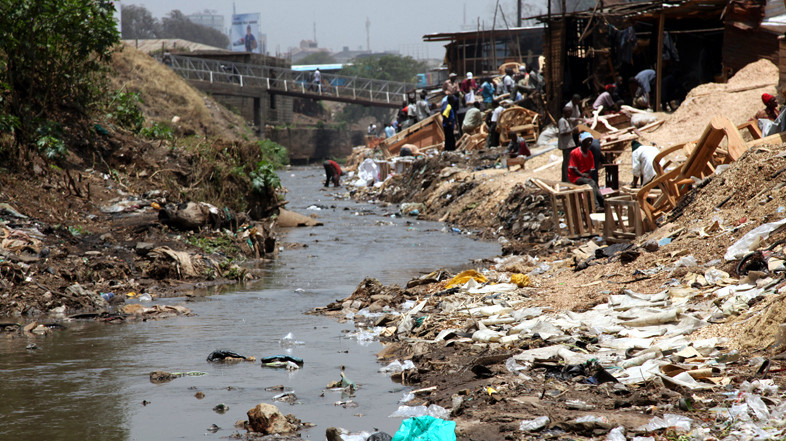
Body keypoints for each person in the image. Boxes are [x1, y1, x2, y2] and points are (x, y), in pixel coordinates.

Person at [569, 132, 604, 209]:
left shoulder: (590, 153)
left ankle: (602, 203)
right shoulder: (574, 152)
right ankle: (594, 206)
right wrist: (582, 175)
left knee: (594, 184)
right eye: (587, 141)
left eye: (590, 141)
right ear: (582, 141)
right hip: (576, 177)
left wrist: (588, 174)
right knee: (591, 182)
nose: (589, 143)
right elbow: (574, 168)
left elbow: (591, 168)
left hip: (585, 176)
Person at [558, 106, 577, 182]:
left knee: (568, 162)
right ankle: (566, 179)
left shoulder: (566, 120)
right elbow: (562, 132)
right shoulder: (562, 121)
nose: (571, 114)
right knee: (567, 163)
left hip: (568, 145)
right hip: (566, 145)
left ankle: (566, 178)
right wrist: (572, 131)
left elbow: (573, 119)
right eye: (570, 112)